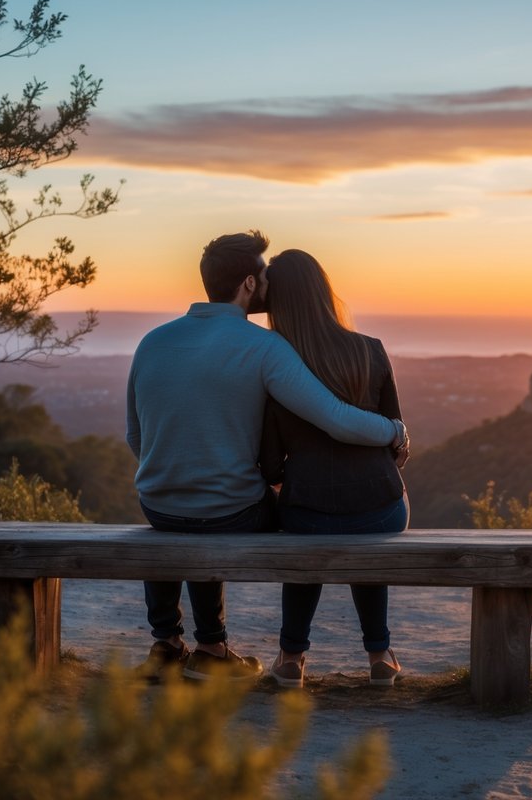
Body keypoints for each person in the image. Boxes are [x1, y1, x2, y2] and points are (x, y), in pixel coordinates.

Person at [126, 230, 407, 683]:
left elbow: (135, 435)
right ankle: (212, 647)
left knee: (188, 516)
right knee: (239, 507)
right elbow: (335, 418)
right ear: (250, 285)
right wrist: (393, 431)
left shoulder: (152, 341)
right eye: (264, 275)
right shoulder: (264, 347)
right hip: (231, 512)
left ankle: (167, 641)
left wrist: (175, 471)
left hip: (157, 505)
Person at [259, 249, 410, 688]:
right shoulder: (371, 350)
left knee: (312, 540)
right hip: (378, 505)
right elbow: (393, 441)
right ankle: (380, 654)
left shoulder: (278, 364)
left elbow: (270, 463)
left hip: (305, 507)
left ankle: (291, 656)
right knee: (371, 533)